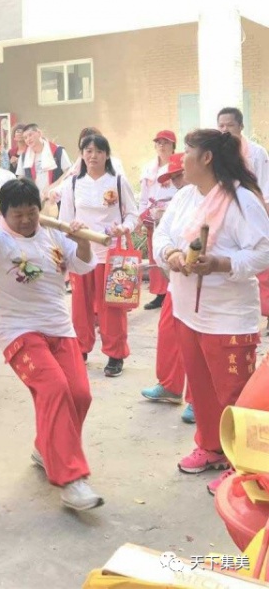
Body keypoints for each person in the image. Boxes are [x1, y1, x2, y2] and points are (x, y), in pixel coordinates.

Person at [0, 178, 103, 510]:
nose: (25, 221)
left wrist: (80, 241)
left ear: (40, 209)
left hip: (59, 328)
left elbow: (83, 264)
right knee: (54, 389)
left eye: (31, 213)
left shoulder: (53, 232)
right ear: (4, 215)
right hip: (19, 332)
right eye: (17, 215)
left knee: (80, 394)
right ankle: (70, 479)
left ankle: (45, 448)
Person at [153, 129, 269, 477]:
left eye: (187, 151)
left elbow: (264, 250)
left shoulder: (241, 200)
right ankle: (210, 448)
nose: (180, 159)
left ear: (206, 158)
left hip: (228, 317)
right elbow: (162, 233)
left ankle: (246, 469)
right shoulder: (186, 196)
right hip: (189, 311)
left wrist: (221, 264)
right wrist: (171, 253)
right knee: (202, 391)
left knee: (235, 395)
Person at [59, 134, 139, 377]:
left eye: (98, 151)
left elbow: (133, 215)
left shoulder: (117, 181)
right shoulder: (72, 184)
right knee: (79, 306)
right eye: (88, 151)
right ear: (81, 155)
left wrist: (123, 228)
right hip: (82, 253)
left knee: (112, 307)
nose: (93, 156)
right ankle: (80, 348)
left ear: (107, 155)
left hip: (111, 254)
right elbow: (63, 221)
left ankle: (115, 354)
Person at [140, 153, 195, 424]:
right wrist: (168, 251)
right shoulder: (181, 199)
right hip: (177, 280)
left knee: (196, 341)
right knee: (168, 331)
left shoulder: (214, 197)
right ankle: (171, 385)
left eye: (178, 175)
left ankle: (199, 399)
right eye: (171, 178)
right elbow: (162, 232)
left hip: (202, 286)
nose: (175, 182)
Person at [217, 107, 269, 327]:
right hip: (228, 216)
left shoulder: (256, 153)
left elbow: (265, 188)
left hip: (254, 212)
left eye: (230, 125)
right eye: (221, 125)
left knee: (262, 267)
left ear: (241, 126)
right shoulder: (218, 152)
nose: (225, 130)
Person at [139, 130, 178, 310]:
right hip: (152, 213)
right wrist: (141, 217)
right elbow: (144, 196)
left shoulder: (177, 166)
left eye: (166, 142)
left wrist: (169, 210)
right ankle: (159, 293)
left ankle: (174, 290)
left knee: (172, 250)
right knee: (155, 251)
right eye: (159, 142)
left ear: (173, 146)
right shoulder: (149, 168)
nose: (162, 146)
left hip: (172, 213)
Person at [16, 123, 71, 196]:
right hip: (34, 199)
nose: (28, 139)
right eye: (25, 138)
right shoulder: (24, 156)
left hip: (56, 196)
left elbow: (69, 172)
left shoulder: (57, 151)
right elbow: (20, 177)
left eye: (30, 135)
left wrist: (53, 186)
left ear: (39, 133)